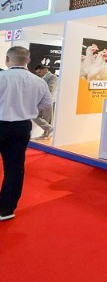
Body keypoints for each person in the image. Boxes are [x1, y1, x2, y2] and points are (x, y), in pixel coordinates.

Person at [0, 47, 52, 221]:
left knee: (14, 168)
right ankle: (6, 210)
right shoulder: (39, 81)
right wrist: (28, 108)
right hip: (22, 126)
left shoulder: (1, 77)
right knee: (14, 168)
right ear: (28, 60)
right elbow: (46, 104)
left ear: (7, 59)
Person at [33, 64, 58, 140]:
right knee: (35, 116)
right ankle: (48, 131)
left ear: (45, 69)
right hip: (41, 101)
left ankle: (46, 134)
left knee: (47, 119)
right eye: (38, 72)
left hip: (48, 101)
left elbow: (50, 89)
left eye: (39, 72)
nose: (39, 74)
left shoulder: (52, 77)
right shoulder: (41, 78)